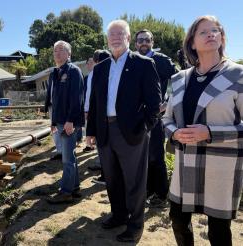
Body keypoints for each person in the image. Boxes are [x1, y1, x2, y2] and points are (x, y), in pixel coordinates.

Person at [162, 15, 243, 246]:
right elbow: (166, 119)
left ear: (222, 38)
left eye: (215, 30)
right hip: (184, 163)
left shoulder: (238, 75)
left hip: (222, 166)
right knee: (177, 219)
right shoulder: (178, 79)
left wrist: (211, 132)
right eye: (203, 32)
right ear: (192, 43)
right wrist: (174, 133)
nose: (211, 34)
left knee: (218, 232)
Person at [86, 20, 161, 243]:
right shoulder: (100, 68)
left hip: (132, 133)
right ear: (107, 40)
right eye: (112, 34)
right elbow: (95, 103)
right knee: (112, 178)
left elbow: (155, 103)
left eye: (120, 34)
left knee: (134, 181)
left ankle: (135, 225)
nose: (116, 37)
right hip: (104, 131)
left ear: (128, 38)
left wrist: (144, 128)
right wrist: (91, 132)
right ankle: (118, 215)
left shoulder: (144, 64)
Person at [134, 29, 179, 207]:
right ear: (135, 43)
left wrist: (167, 103)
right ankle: (149, 190)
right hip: (138, 118)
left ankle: (161, 195)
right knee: (143, 157)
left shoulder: (161, 60)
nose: (143, 43)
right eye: (140, 40)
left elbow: (179, 80)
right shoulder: (134, 61)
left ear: (152, 42)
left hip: (156, 117)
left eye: (147, 40)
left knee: (155, 156)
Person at [47, 40, 84, 204]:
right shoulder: (55, 72)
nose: (57, 53)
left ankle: (66, 191)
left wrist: (70, 121)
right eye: (55, 51)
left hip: (69, 122)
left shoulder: (73, 71)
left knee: (67, 159)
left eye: (61, 50)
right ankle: (74, 188)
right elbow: (54, 99)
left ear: (69, 54)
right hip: (60, 121)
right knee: (71, 157)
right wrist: (53, 121)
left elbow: (77, 99)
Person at [85, 50, 112, 186]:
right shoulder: (111, 71)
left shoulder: (95, 73)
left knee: (104, 148)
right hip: (109, 118)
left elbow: (91, 96)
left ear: (95, 61)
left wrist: (87, 111)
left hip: (99, 116)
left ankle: (105, 176)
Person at [44, 74, 62, 160]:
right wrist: (46, 106)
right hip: (51, 106)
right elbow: (49, 91)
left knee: (62, 129)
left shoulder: (70, 72)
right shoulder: (52, 74)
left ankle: (65, 152)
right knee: (54, 129)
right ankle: (59, 151)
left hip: (61, 107)